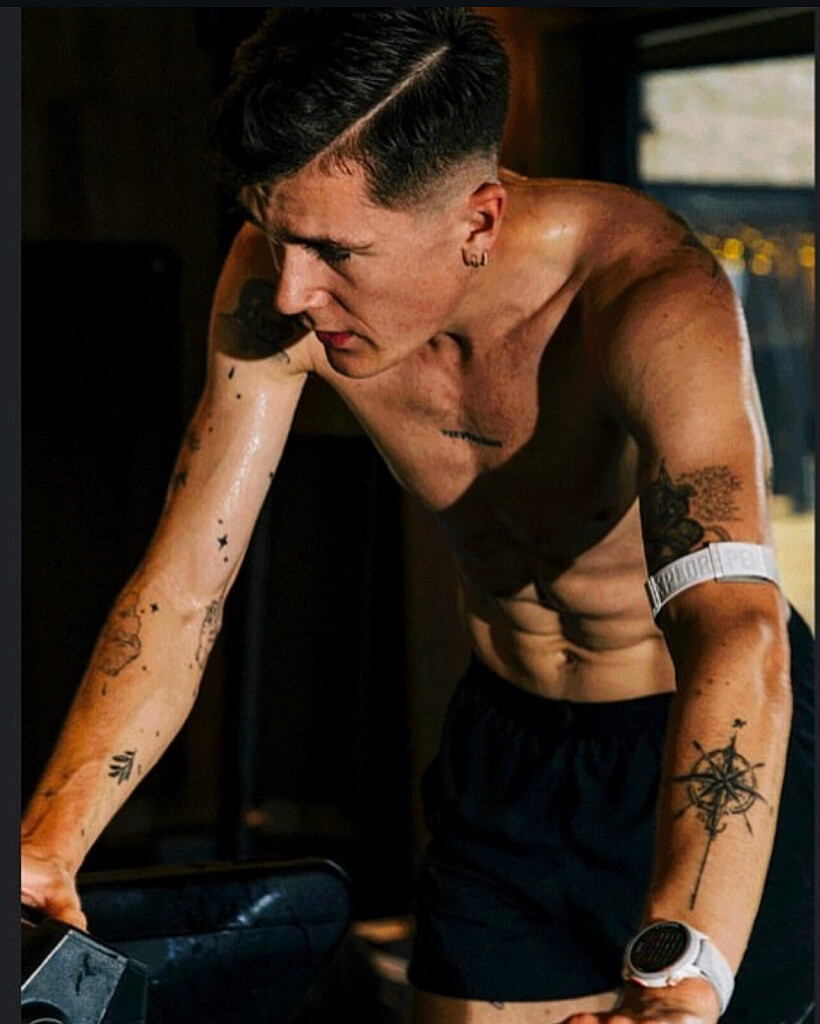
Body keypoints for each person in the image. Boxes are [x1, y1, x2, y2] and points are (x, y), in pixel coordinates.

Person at [21, 9, 813, 1024]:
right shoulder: (277, 276)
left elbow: (734, 628)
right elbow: (183, 591)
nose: (293, 291)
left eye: (335, 251)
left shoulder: (649, 296)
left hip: (709, 742)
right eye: (277, 234)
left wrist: (683, 975)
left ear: (478, 221)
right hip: (509, 743)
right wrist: (48, 846)